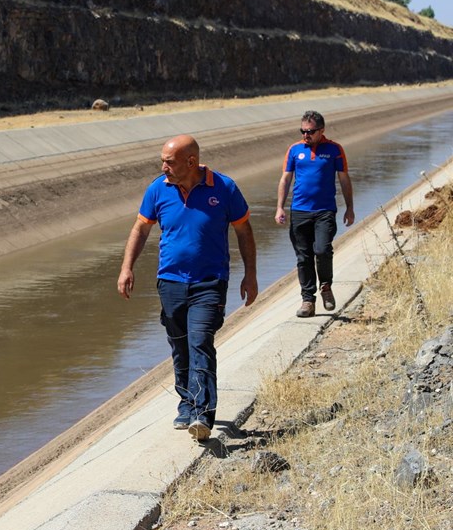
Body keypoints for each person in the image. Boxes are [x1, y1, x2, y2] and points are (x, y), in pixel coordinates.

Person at [118, 135, 258, 442]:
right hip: (170, 282)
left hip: (210, 282)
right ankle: (186, 401)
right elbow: (141, 228)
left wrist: (250, 275)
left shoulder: (224, 188)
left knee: (200, 342)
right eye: (163, 160)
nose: (163, 166)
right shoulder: (158, 188)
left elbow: (244, 232)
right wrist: (127, 267)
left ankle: (202, 414)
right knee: (179, 346)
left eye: (169, 161)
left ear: (191, 162)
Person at [275, 110, 354, 318]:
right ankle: (308, 300)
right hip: (299, 211)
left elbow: (344, 179)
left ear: (321, 130)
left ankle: (326, 287)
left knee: (322, 249)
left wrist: (350, 208)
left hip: (324, 211)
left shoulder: (335, 149)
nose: (305, 135)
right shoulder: (294, 150)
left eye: (310, 131)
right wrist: (280, 207)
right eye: (302, 131)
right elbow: (285, 179)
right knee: (303, 257)